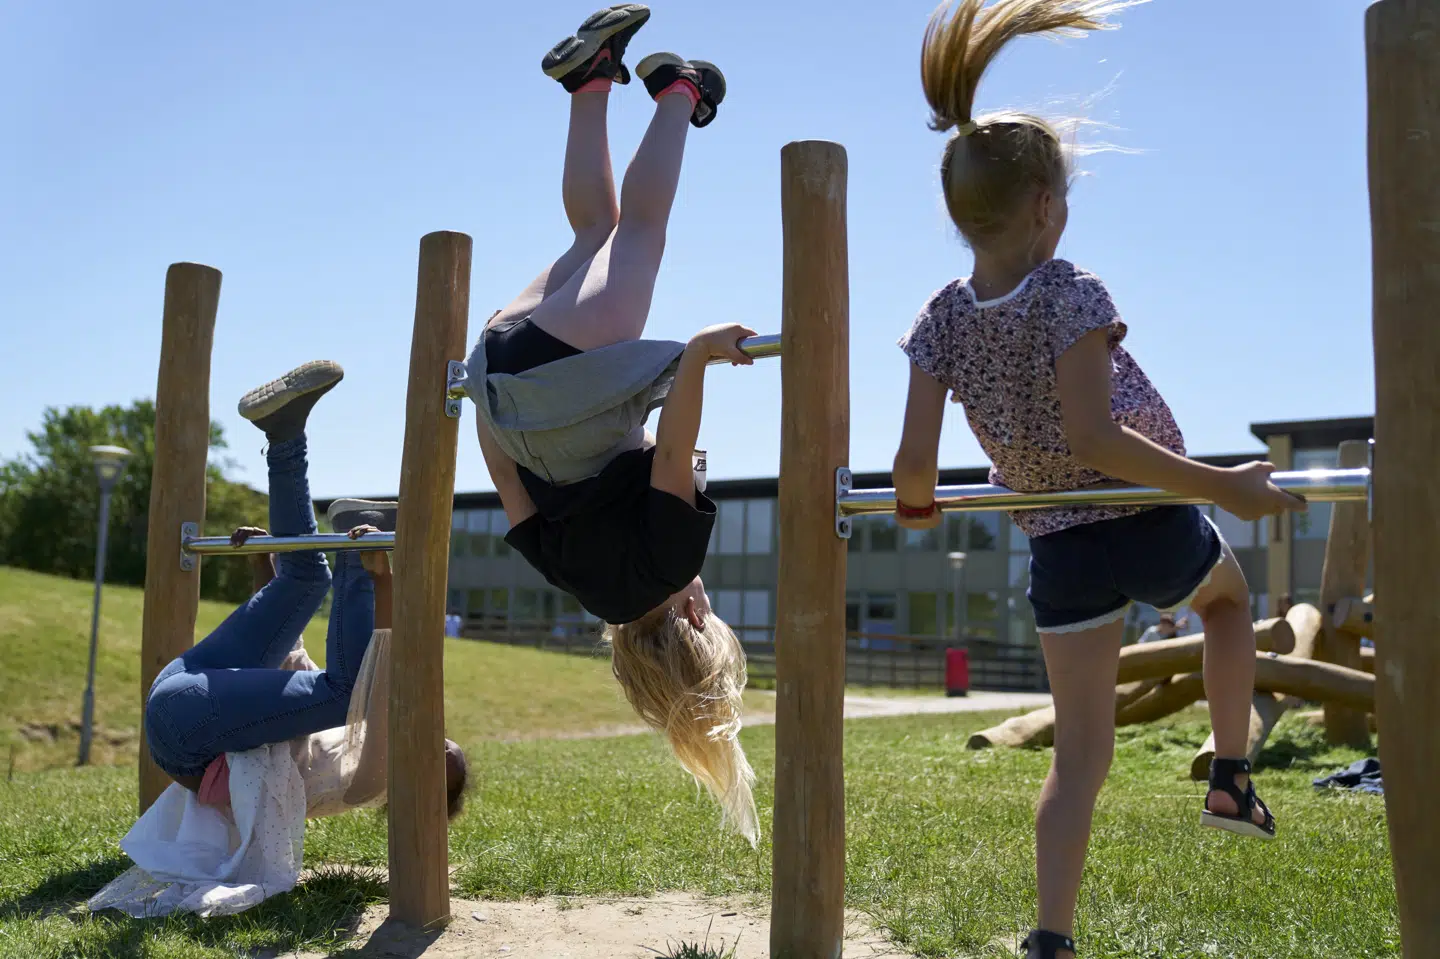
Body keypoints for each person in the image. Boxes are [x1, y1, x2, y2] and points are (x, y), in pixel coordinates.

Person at [888, 3, 1306, 956]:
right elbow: (1097, 435)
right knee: (1231, 606)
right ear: (1044, 206)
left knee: (1078, 758)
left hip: (1057, 543)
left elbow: (914, 462)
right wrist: (1220, 487)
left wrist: (915, 505)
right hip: (1142, 516)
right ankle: (1232, 773)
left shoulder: (940, 319)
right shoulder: (1070, 288)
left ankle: (1050, 937)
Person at [464, 4, 757, 841]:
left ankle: (679, 92)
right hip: (499, 377)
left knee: (641, 235)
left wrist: (696, 358)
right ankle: (590, 82)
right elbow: (503, 478)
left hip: (558, 383)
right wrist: (481, 396)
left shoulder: (669, 558)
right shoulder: (585, 585)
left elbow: (670, 456)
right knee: (595, 231)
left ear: (696, 622)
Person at [144, 361, 468, 822]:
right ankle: (284, 435)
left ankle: (357, 552)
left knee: (346, 692)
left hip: (188, 738)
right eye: (445, 741)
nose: (434, 742)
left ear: (418, 790)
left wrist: (381, 579)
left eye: (438, 762)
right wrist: (265, 570)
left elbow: (364, 688)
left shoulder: (368, 783)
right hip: (185, 690)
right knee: (303, 579)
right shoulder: (343, 735)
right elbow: (290, 665)